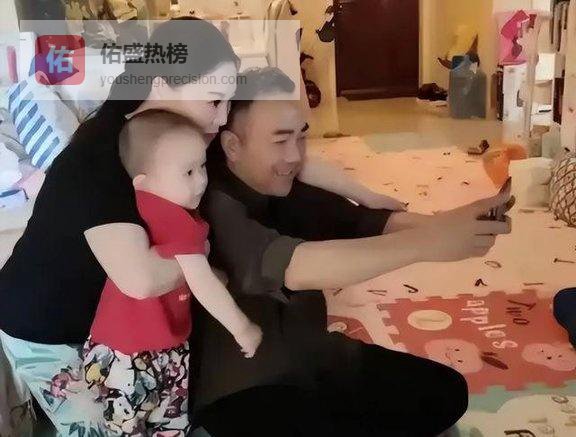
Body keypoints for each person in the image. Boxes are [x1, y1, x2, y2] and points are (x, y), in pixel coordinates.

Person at [192, 67, 512, 437]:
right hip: (248, 389)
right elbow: (297, 265)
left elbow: (368, 222)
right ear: (232, 146)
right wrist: (430, 243)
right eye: (280, 141)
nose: (294, 156)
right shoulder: (213, 205)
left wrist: (458, 220)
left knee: (446, 392)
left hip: (314, 358)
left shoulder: (285, 187)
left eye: (300, 137)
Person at [0, 18, 241, 434]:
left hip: (110, 328)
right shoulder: (101, 158)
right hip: (47, 328)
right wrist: (202, 261)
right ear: (162, 85)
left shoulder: (172, 137)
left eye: (229, 103)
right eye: (214, 101)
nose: (222, 120)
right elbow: (141, 279)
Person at [83, 110, 263, 435]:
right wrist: (242, 327)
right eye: (188, 172)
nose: (202, 180)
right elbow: (201, 281)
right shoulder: (175, 218)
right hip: (136, 354)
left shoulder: (148, 205)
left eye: (203, 167)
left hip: (129, 347)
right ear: (144, 183)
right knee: (165, 424)